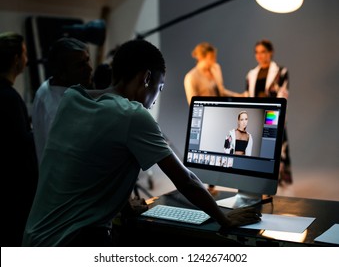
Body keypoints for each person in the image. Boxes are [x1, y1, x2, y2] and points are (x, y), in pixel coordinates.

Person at [22, 39, 261, 247]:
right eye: (160, 87)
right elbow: (184, 179)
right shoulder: (132, 114)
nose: (156, 99)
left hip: (34, 239)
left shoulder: (71, 99)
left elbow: (92, 164)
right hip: (73, 243)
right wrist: (224, 218)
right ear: (146, 78)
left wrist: (124, 205)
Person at [184, 42, 242, 193]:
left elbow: (221, 91)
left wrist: (240, 97)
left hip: (222, 115)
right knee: (208, 154)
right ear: (201, 57)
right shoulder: (191, 77)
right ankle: (208, 187)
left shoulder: (216, 68)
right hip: (206, 120)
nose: (214, 60)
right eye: (211, 57)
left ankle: (225, 183)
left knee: (227, 147)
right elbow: (193, 103)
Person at [0, 32, 39, 246]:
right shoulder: (10, 99)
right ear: (16, 59)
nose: (27, 59)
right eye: (24, 53)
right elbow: (20, 146)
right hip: (13, 195)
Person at [31, 37, 93, 165]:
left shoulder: (50, 86)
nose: (90, 69)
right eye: (80, 65)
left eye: (88, 61)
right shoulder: (58, 111)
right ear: (61, 73)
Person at [243, 39, 292, 184]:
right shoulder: (250, 74)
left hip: (273, 117)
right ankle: (259, 185)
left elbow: (283, 95)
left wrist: (275, 118)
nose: (260, 55)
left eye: (263, 52)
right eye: (257, 52)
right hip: (256, 117)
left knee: (277, 152)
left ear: (270, 52)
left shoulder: (281, 72)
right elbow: (247, 96)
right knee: (256, 151)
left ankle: (280, 187)